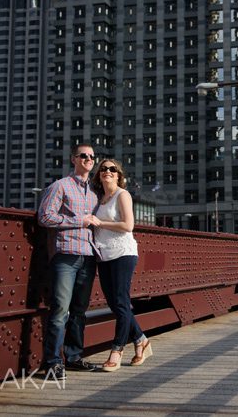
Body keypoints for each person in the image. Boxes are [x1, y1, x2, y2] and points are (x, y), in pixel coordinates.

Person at [38, 143, 101, 380]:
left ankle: (73, 358)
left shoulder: (95, 192)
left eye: (91, 156)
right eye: (83, 155)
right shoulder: (60, 186)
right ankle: (53, 363)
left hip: (88, 256)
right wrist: (79, 222)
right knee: (59, 311)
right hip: (66, 255)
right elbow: (45, 217)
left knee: (79, 311)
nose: (88, 159)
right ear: (73, 159)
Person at [91, 158, 152, 371]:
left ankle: (116, 350)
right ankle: (141, 341)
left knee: (120, 301)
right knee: (117, 304)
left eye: (112, 169)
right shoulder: (100, 199)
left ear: (118, 175)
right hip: (104, 256)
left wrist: (100, 222)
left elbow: (128, 225)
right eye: (103, 169)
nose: (107, 171)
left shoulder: (122, 195)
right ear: (99, 175)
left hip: (123, 254)